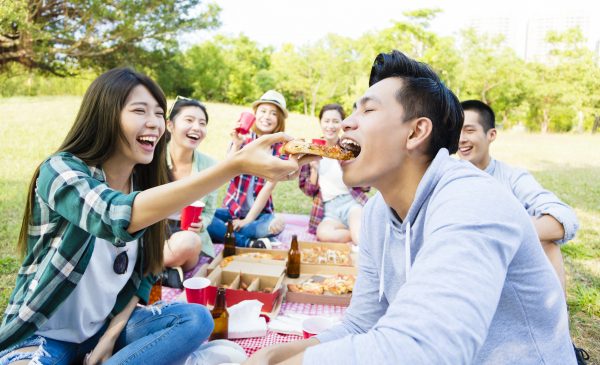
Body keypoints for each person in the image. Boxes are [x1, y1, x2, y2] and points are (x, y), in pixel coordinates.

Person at [245, 50, 576, 364]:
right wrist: (275, 356)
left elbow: (427, 349)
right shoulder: (376, 213)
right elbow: (361, 325)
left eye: (367, 111)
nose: (346, 122)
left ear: (417, 131)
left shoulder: (472, 199)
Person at [0, 68, 310, 364]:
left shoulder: (145, 184)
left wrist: (111, 334)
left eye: (159, 113)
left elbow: (145, 274)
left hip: (104, 329)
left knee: (196, 318)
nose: (155, 123)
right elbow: (112, 216)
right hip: (45, 336)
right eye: (140, 111)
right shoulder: (60, 171)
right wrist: (234, 165)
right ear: (105, 115)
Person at [457, 99, 587, 364]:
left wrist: (501, 231)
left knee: (548, 243)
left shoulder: (511, 178)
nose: (461, 139)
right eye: (456, 130)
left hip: (511, 271)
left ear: (491, 135)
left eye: (469, 130)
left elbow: (565, 221)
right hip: (463, 269)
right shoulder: (448, 177)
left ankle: (557, 337)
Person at [208, 90, 288, 248]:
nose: (266, 116)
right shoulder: (243, 139)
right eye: (263, 111)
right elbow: (226, 170)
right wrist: (236, 144)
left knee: (273, 224)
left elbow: (268, 188)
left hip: (259, 214)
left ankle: (230, 234)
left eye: (273, 113)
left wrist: (247, 220)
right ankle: (248, 241)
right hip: (232, 211)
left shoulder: (281, 150)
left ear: (279, 119)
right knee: (205, 217)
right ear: (255, 114)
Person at [161, 96, 218, 287]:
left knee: (189, 241)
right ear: (170, 125)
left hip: (187, 234)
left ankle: (149, 269)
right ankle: (166, 271)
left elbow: (209, 211)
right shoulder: (152, 159)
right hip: (153, 231)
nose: (197, 127)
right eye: (189, 120)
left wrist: (201, 225)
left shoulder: (210, 166)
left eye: (202, 123)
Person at [298, 104, 369, 244]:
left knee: (359, 236)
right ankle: (354, 233)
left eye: (335, 121)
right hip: (329, 209)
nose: (330, 126)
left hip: (351, 203)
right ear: (321, 123)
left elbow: (366, 187)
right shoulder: (311, 151)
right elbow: (308, 190)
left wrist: (353, 166)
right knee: (323, 234)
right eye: (326, 121)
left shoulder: (349, 148)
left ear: (342, 124)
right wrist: (314, 170)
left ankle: (358, 236)